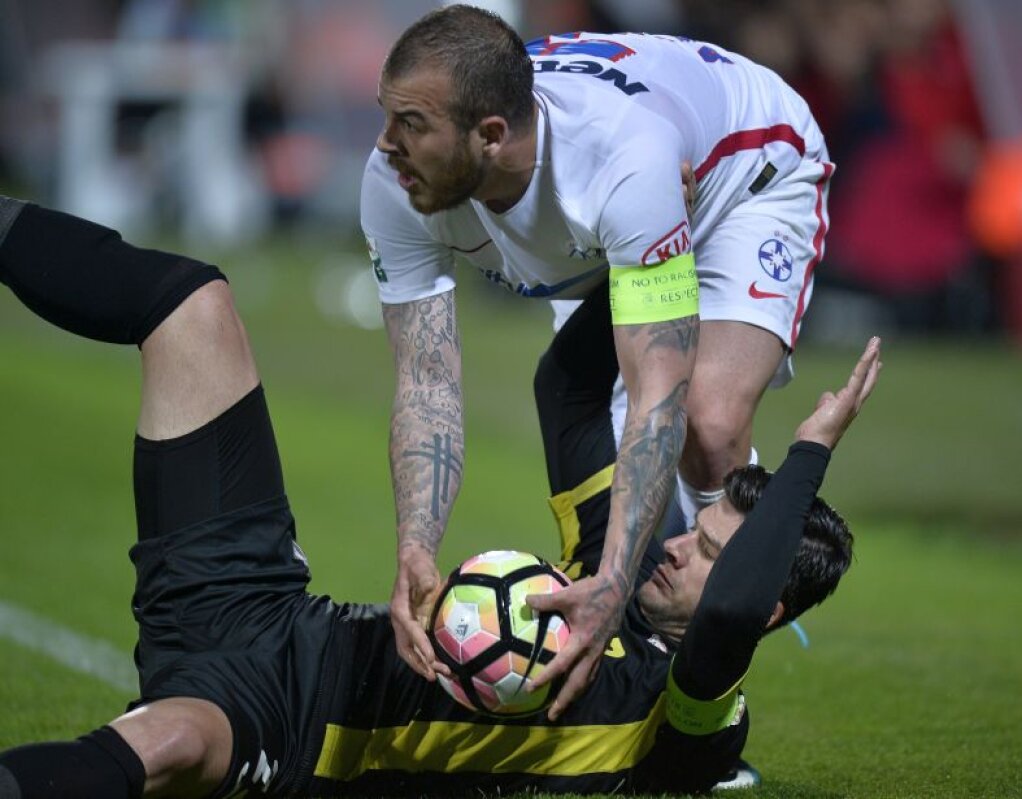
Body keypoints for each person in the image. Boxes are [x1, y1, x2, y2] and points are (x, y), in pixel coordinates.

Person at [0, 198, 877, 798]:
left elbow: (721, 624)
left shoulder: (690, 722)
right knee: (190, 304)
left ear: (767, 611)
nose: (682, 545)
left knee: (166, 747)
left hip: (290, 726)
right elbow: (568, 395)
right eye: (703, 528)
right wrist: (655, 241)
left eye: (711, 553)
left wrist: (808, 452)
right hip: (261, 597)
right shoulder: (619, 570)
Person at [362, 5, 836, 715]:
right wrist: (415, 547)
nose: (384, 144)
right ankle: (643, 675)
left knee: (706, 425)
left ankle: (709, 703)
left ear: (491, 136)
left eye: (411, 125)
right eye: (387, 116)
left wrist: (615, 582)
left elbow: (658, 396)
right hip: (623, 212)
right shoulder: (394, 183)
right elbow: (427, 382)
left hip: (744, 175)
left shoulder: (620, 163)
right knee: (605, 436)